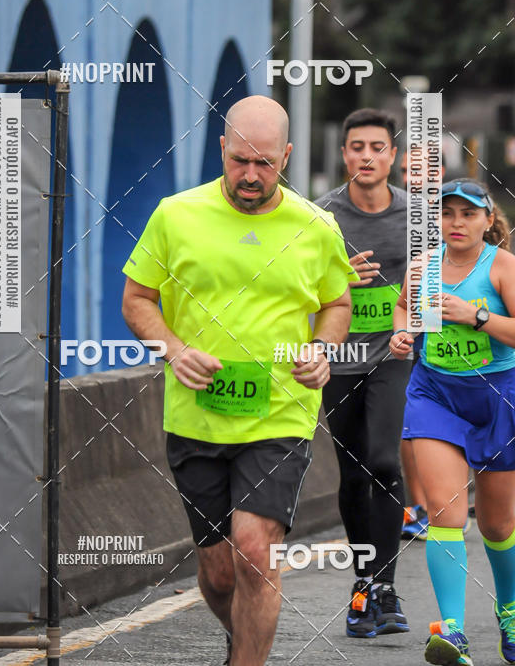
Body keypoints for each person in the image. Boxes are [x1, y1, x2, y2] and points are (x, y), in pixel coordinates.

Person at [121, 95, 355, 666]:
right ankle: (241, 640)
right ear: (222, 149)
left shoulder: (315, 225)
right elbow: (137, 298)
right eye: (239, 161)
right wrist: (173, 349)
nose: (250, 176)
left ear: (288, 156)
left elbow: (337, 301)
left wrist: (323, 350)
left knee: (255, 553)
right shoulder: (175, 215)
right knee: (220, 571)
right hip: (196, 415)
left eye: (266, 163)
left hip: (280, 412)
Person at [391, 180, 515, 666]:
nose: (456, 223)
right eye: (447, 214)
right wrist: (402, 333)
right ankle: (451, 631)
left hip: (497, 397)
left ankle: (508, 611)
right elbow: (405, 306)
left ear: (488, 220)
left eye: (468, 214)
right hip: (435, 393)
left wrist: (475, 315)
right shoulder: (423, 266)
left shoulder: (502, 267)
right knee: (446, 513)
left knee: (498, 524)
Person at [316, 109, 411, 638]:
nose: (367, 156)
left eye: (378, 147)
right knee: (353, 475)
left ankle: (386, 586)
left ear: (392, 156)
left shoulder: (414, 217)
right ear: (344, 154)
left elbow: (434, 283)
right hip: (340, 359)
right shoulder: (320, 216)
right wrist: (339, 278)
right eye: (357, 147)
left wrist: (413, 330)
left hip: (393, 355)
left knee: (381, 460)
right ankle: (363, 584)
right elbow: (297, 286)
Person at [399, 149, 446, 542]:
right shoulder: (397, 214)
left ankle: (449, 496)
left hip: (467, 335)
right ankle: (418, 508)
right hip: (415, 330)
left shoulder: (464, 212)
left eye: (421, 172)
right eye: (406, 172)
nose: (413, 180)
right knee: (411, 423)